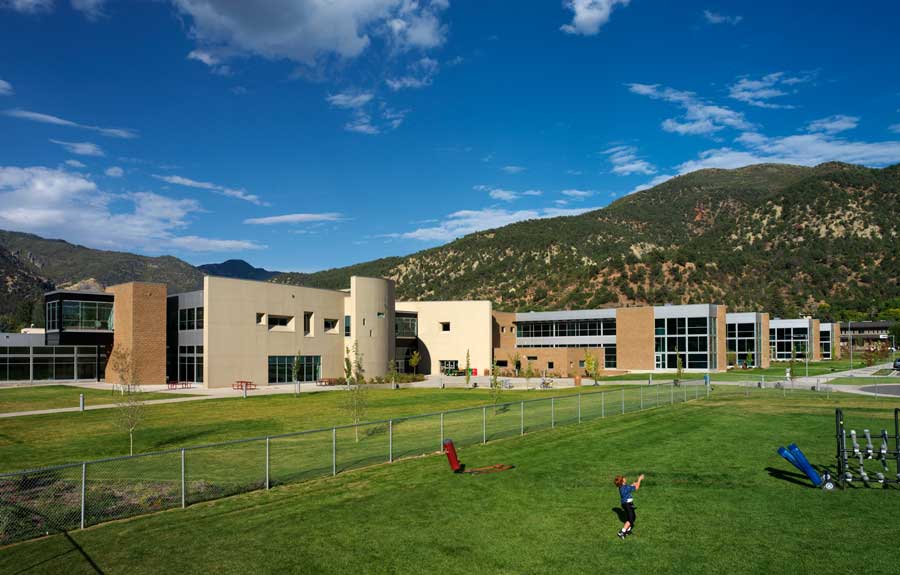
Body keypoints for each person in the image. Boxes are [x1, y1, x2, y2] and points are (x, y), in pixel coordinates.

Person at [614, 473, 644, 539]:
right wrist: (639, 479)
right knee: (631, 519)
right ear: (622, 481)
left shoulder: (621, 487)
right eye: (623, 478)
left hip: (625, 504)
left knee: (632, 517)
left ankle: (628, 530)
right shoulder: (625, 487)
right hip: (627, 504)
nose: (625, 478)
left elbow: (629, 488)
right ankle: (622, 532)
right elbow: (636, 487)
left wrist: (632, 484)